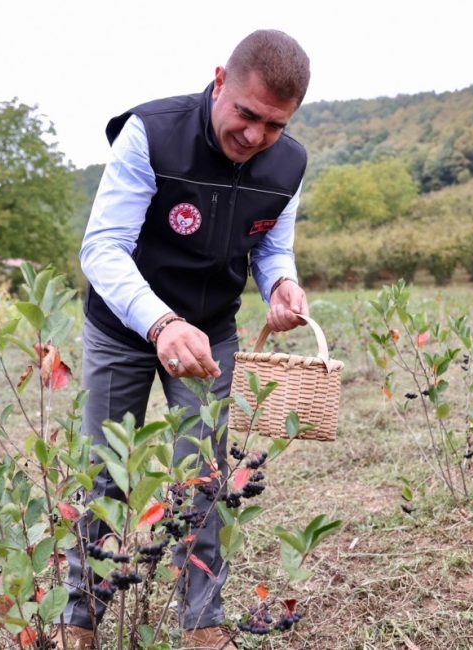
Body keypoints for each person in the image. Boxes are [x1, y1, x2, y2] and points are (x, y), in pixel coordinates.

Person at [61, 29, 312, 650]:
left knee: (203, 476)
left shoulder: (290, 163)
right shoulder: (152, 131)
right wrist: (160, 322)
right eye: (247, 114)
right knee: (104, 474)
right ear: (219, 79)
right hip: (123, 326)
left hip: (211, 332)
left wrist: (282, 283)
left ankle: (204, 624)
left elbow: (272, 243)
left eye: (274, 125)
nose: (255, 137)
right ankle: (80, 622)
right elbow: (102, 248)